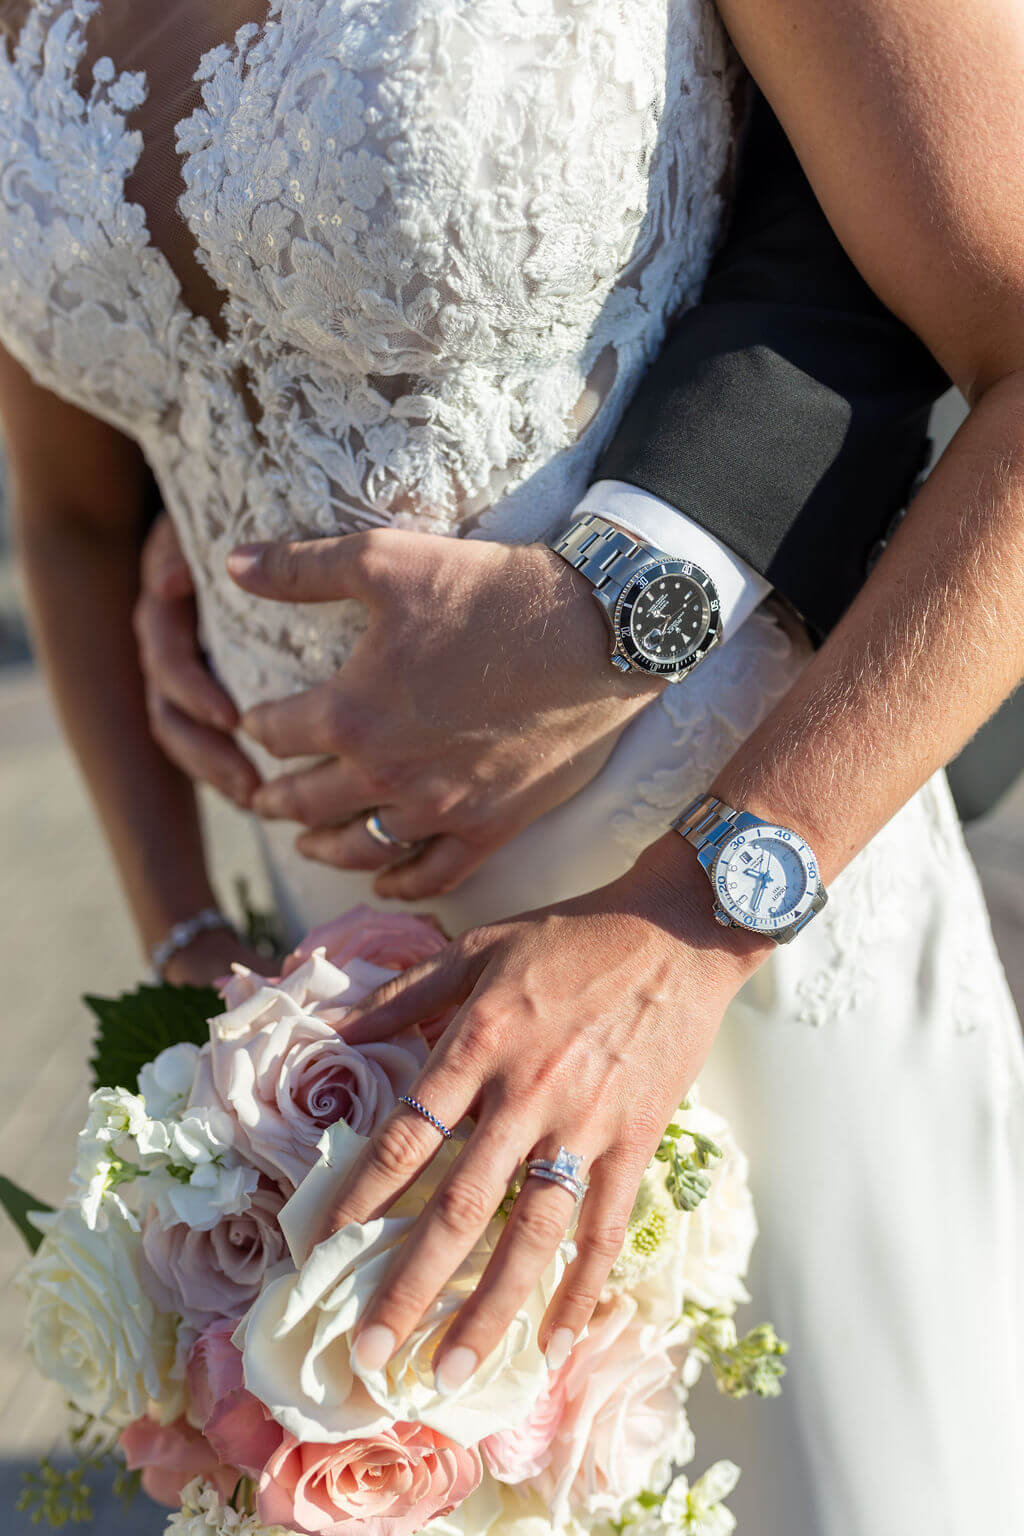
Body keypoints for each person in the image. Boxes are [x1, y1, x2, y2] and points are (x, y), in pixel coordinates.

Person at [0, 4, 1021, 1533]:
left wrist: (687, 929)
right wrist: (191, 958)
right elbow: (78, 511)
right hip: (327, 1049)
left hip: (744, 933)